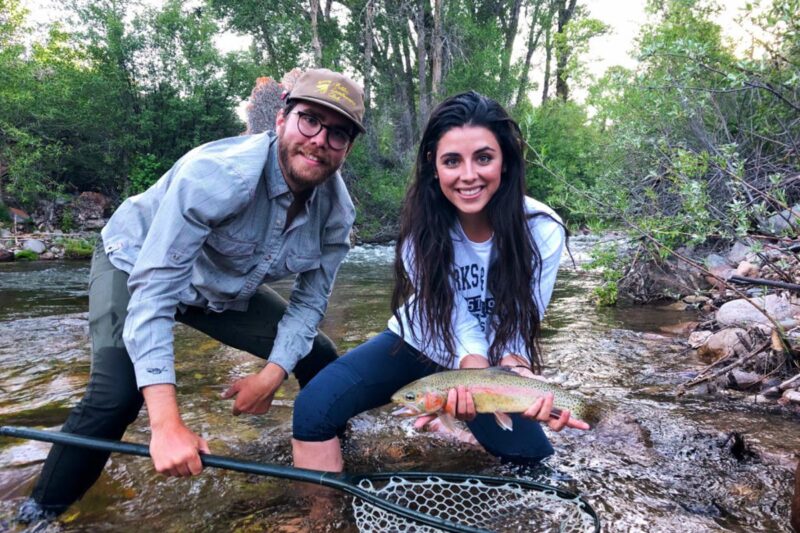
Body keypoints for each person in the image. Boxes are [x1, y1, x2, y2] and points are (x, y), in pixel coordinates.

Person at [18, 68, 365, 521]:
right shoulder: (217, 175)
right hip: (136, 261)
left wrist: (270, 376)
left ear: (348, 147)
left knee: (318, 357)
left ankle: (337, 465)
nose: (320, 139)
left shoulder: (337, 215)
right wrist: (166, 425)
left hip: (218, 286)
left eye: (338, 132)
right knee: (117, 394)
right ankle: (35, 516)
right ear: (281, 118)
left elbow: (310, 305)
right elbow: (156, 290)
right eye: (309, 120)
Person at [292, 91, 589, 472]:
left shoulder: (542, 229)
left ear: (505, 162)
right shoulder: (421, 230)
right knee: (313, 409)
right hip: (416, 343)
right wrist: (473, 375)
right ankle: (322, 518)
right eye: (452, 161)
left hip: (488, 364)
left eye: (483, 158)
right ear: (434, 166)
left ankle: (455, 430)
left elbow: (520, 321)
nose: (468, 175)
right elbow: (458, 321)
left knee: (532, 461)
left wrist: (519, 379)